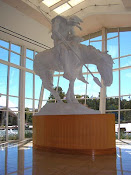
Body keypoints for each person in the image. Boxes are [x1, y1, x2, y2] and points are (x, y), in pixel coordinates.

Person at [51, 15, 87, 83]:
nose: (72, 26)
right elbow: (55, 30)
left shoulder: (71, 26)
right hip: (59, 41)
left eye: (74, 25)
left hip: (66, 41)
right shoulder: (58, 20)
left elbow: (72, 34)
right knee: (64, 49)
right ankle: (66, 71)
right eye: (72, 24)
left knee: (78, 52)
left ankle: (80, 74)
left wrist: (76, 37)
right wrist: (61, 38)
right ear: (70, 20)